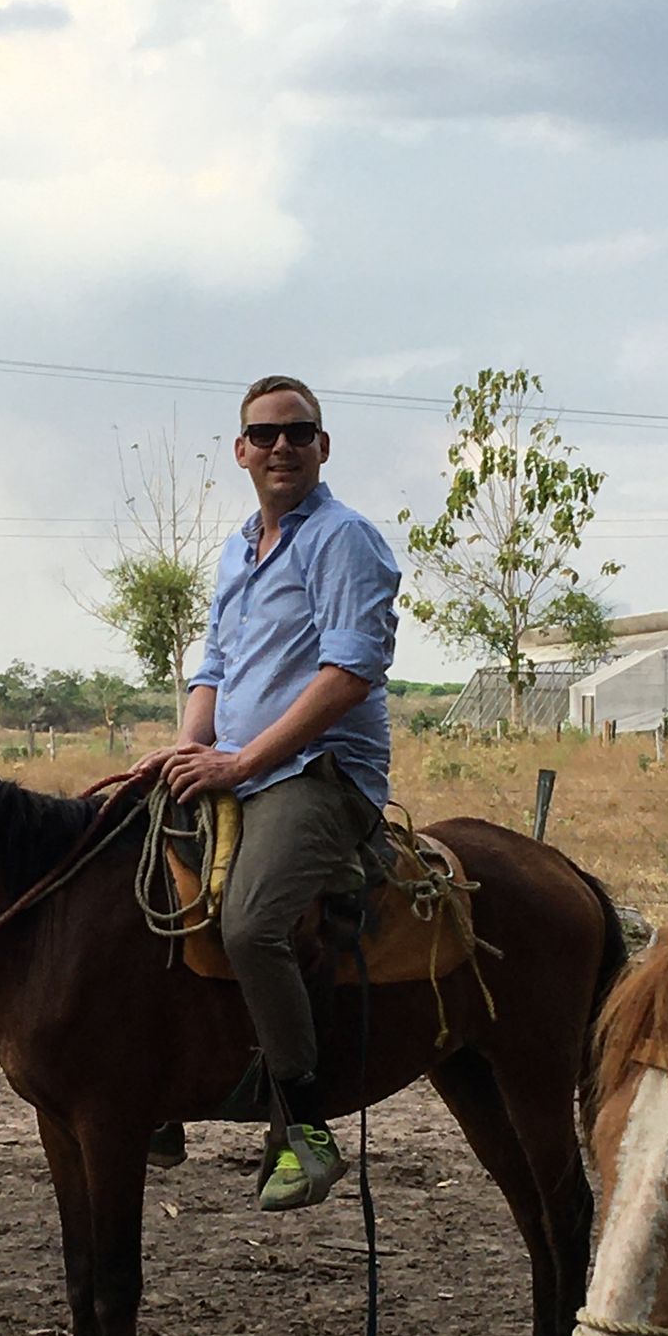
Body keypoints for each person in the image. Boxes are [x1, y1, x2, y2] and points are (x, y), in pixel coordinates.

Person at [139, 374, 400, 1211]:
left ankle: (305, 1125)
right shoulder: (236, 546)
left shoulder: (345, 540)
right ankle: (153, 1090)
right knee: (118, 865)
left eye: (300, 433)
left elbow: (348, 674)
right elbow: (214, 666)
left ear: (323, 447)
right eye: (266, 434)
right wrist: (186, 750)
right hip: (237, 762)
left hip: (316, 775)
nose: (282, 446)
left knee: (251, 925)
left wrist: (238, 764)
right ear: (242, 450)